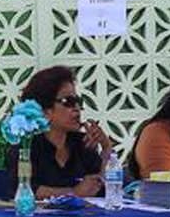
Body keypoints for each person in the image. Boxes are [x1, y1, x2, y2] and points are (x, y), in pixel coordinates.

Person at [14, 66, 115, 198]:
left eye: (78, 101)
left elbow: (100, 188)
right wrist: (74, 193)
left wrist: (106, 148)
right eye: (68, 102)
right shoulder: (26, 146)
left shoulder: (82, 142)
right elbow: (26, 189)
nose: (77, 109)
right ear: (45, 111)